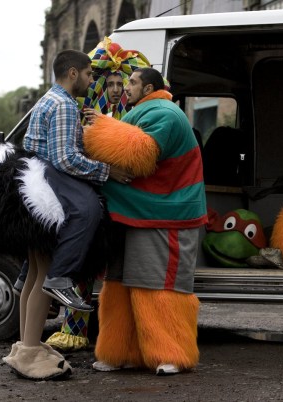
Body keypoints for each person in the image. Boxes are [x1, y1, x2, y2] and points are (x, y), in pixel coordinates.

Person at [83, 67, 206, 375]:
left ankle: (172, 354)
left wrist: (97, 130)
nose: (126, 87)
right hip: (136, 213)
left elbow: (139, 154)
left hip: (166, 217)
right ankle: (119, 352)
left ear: (149, 87)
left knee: (158, 286)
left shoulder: (165, 112)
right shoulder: (141, 112)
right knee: (120, 284)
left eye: (133, 82)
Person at [45, 39, 151, 352]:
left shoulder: (137, 116)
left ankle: (120, 334)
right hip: (96, 193)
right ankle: (75, 329)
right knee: (86, 264)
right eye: (111, 83)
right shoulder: (84, 114)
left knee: (124, 270)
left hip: (127, 199)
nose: (117, 88)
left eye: (122, 83)